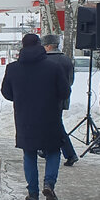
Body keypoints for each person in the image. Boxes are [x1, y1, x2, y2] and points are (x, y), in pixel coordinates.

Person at [2, 34, 72, 200]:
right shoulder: (54, 68)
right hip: (50, 116)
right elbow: (64, 92)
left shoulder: (13, 68)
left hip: (25, 117)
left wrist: (21, 98)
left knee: (29, 153)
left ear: (22, 47)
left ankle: (33, 194)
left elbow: (6, 92)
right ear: (40, 45)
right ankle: (49, 183)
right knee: (54, 150)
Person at [41, 34, 78, 167]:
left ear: (49, 46)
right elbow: (70, 81)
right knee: (54, 125)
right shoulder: (66, 60)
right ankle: (47, 150)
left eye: (44, 46)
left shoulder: (45, 60)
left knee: (55, 127)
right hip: (63, 98)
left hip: (47, 99)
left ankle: (69, 153)